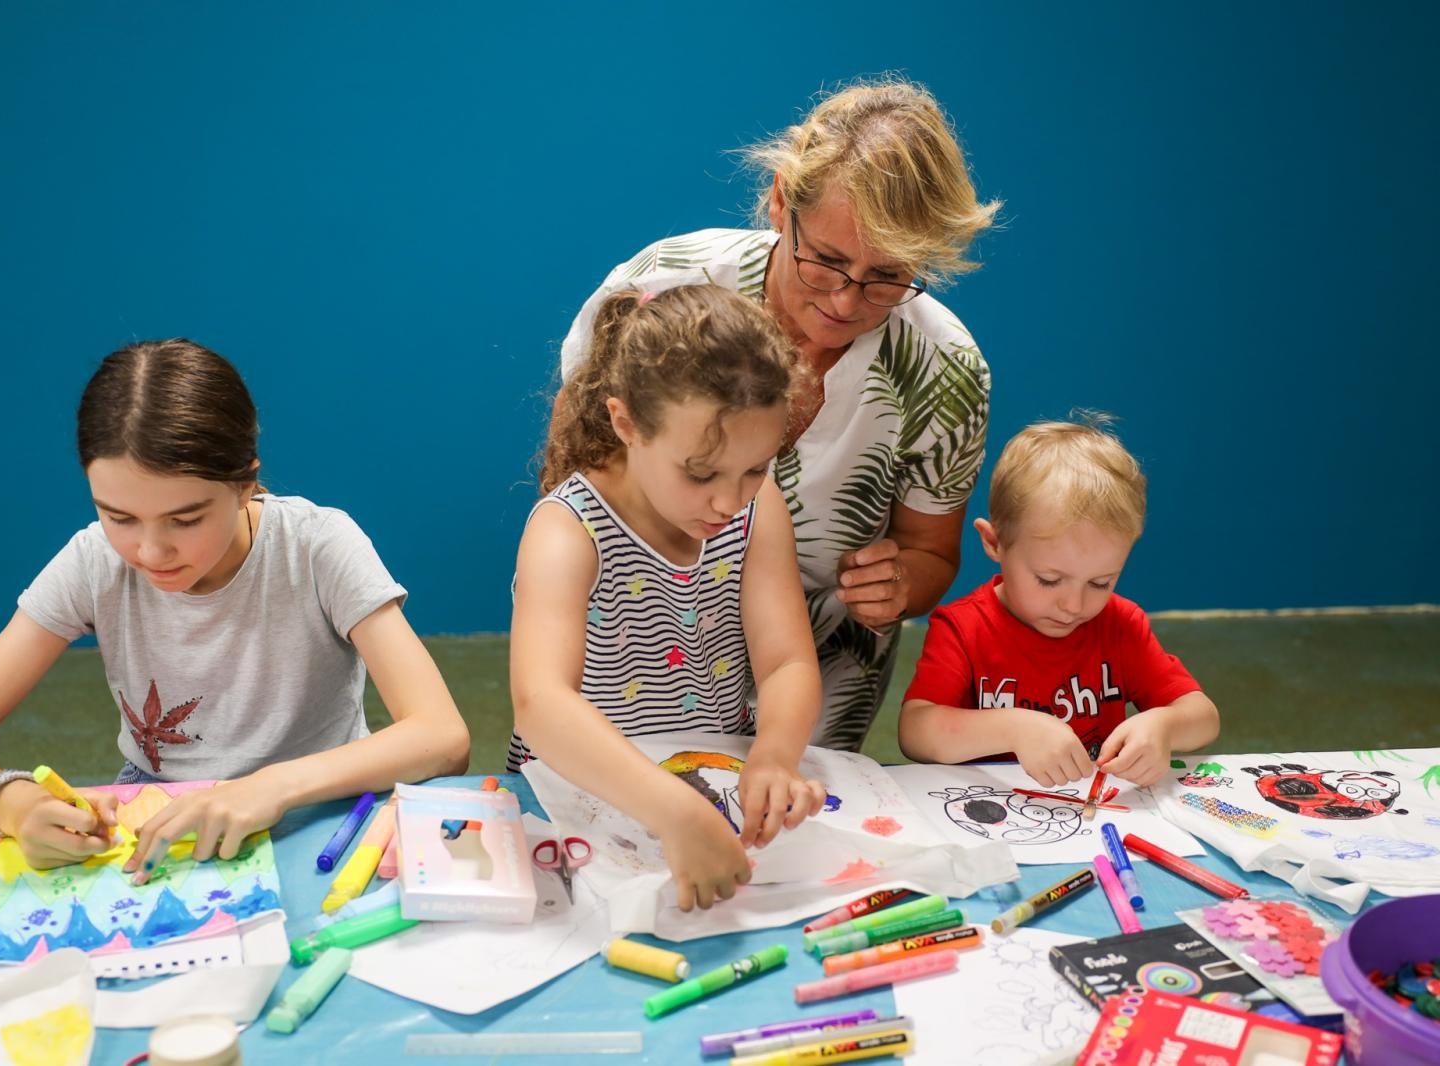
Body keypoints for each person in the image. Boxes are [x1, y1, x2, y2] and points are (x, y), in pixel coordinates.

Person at [0, 339, 470, 879]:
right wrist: (14, 802)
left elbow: (442, 736)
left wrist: (270, 787)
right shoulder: (94, 562)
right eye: (119, 517)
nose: (150, 552)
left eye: (186, 519)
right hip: (164, 802)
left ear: (245, 484)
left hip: (321, 800)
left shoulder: (318, 547)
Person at [560, 77, 1000, 752]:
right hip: (635, 661)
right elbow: (572, 474)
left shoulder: (945, 369)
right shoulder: (659, 288)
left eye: (888, 276)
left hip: (817, 678)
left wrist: (900, 583)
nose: (846, 301)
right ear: (779, 200)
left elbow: (932, 552)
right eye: (826, 260)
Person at [512, 285, 829, 912]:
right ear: (626, 424)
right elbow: (541, 704)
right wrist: (675, 812)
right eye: (700, 472)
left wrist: (772, 758)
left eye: (755, 468)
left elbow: (786, 662)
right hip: (577, 799)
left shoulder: (756, 509)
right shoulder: (567, 531)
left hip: (711, 781)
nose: (728, 500)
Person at [896, 419, 1220, 787]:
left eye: (1100, 583)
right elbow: (915, 731)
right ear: (994, 543)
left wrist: (1164, 726)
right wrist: (1013, 728)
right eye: (1049, 580)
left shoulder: (1120, 624)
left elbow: (1203, 716)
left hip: (1095, 811)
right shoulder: (964, 627)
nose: (1073, 605)